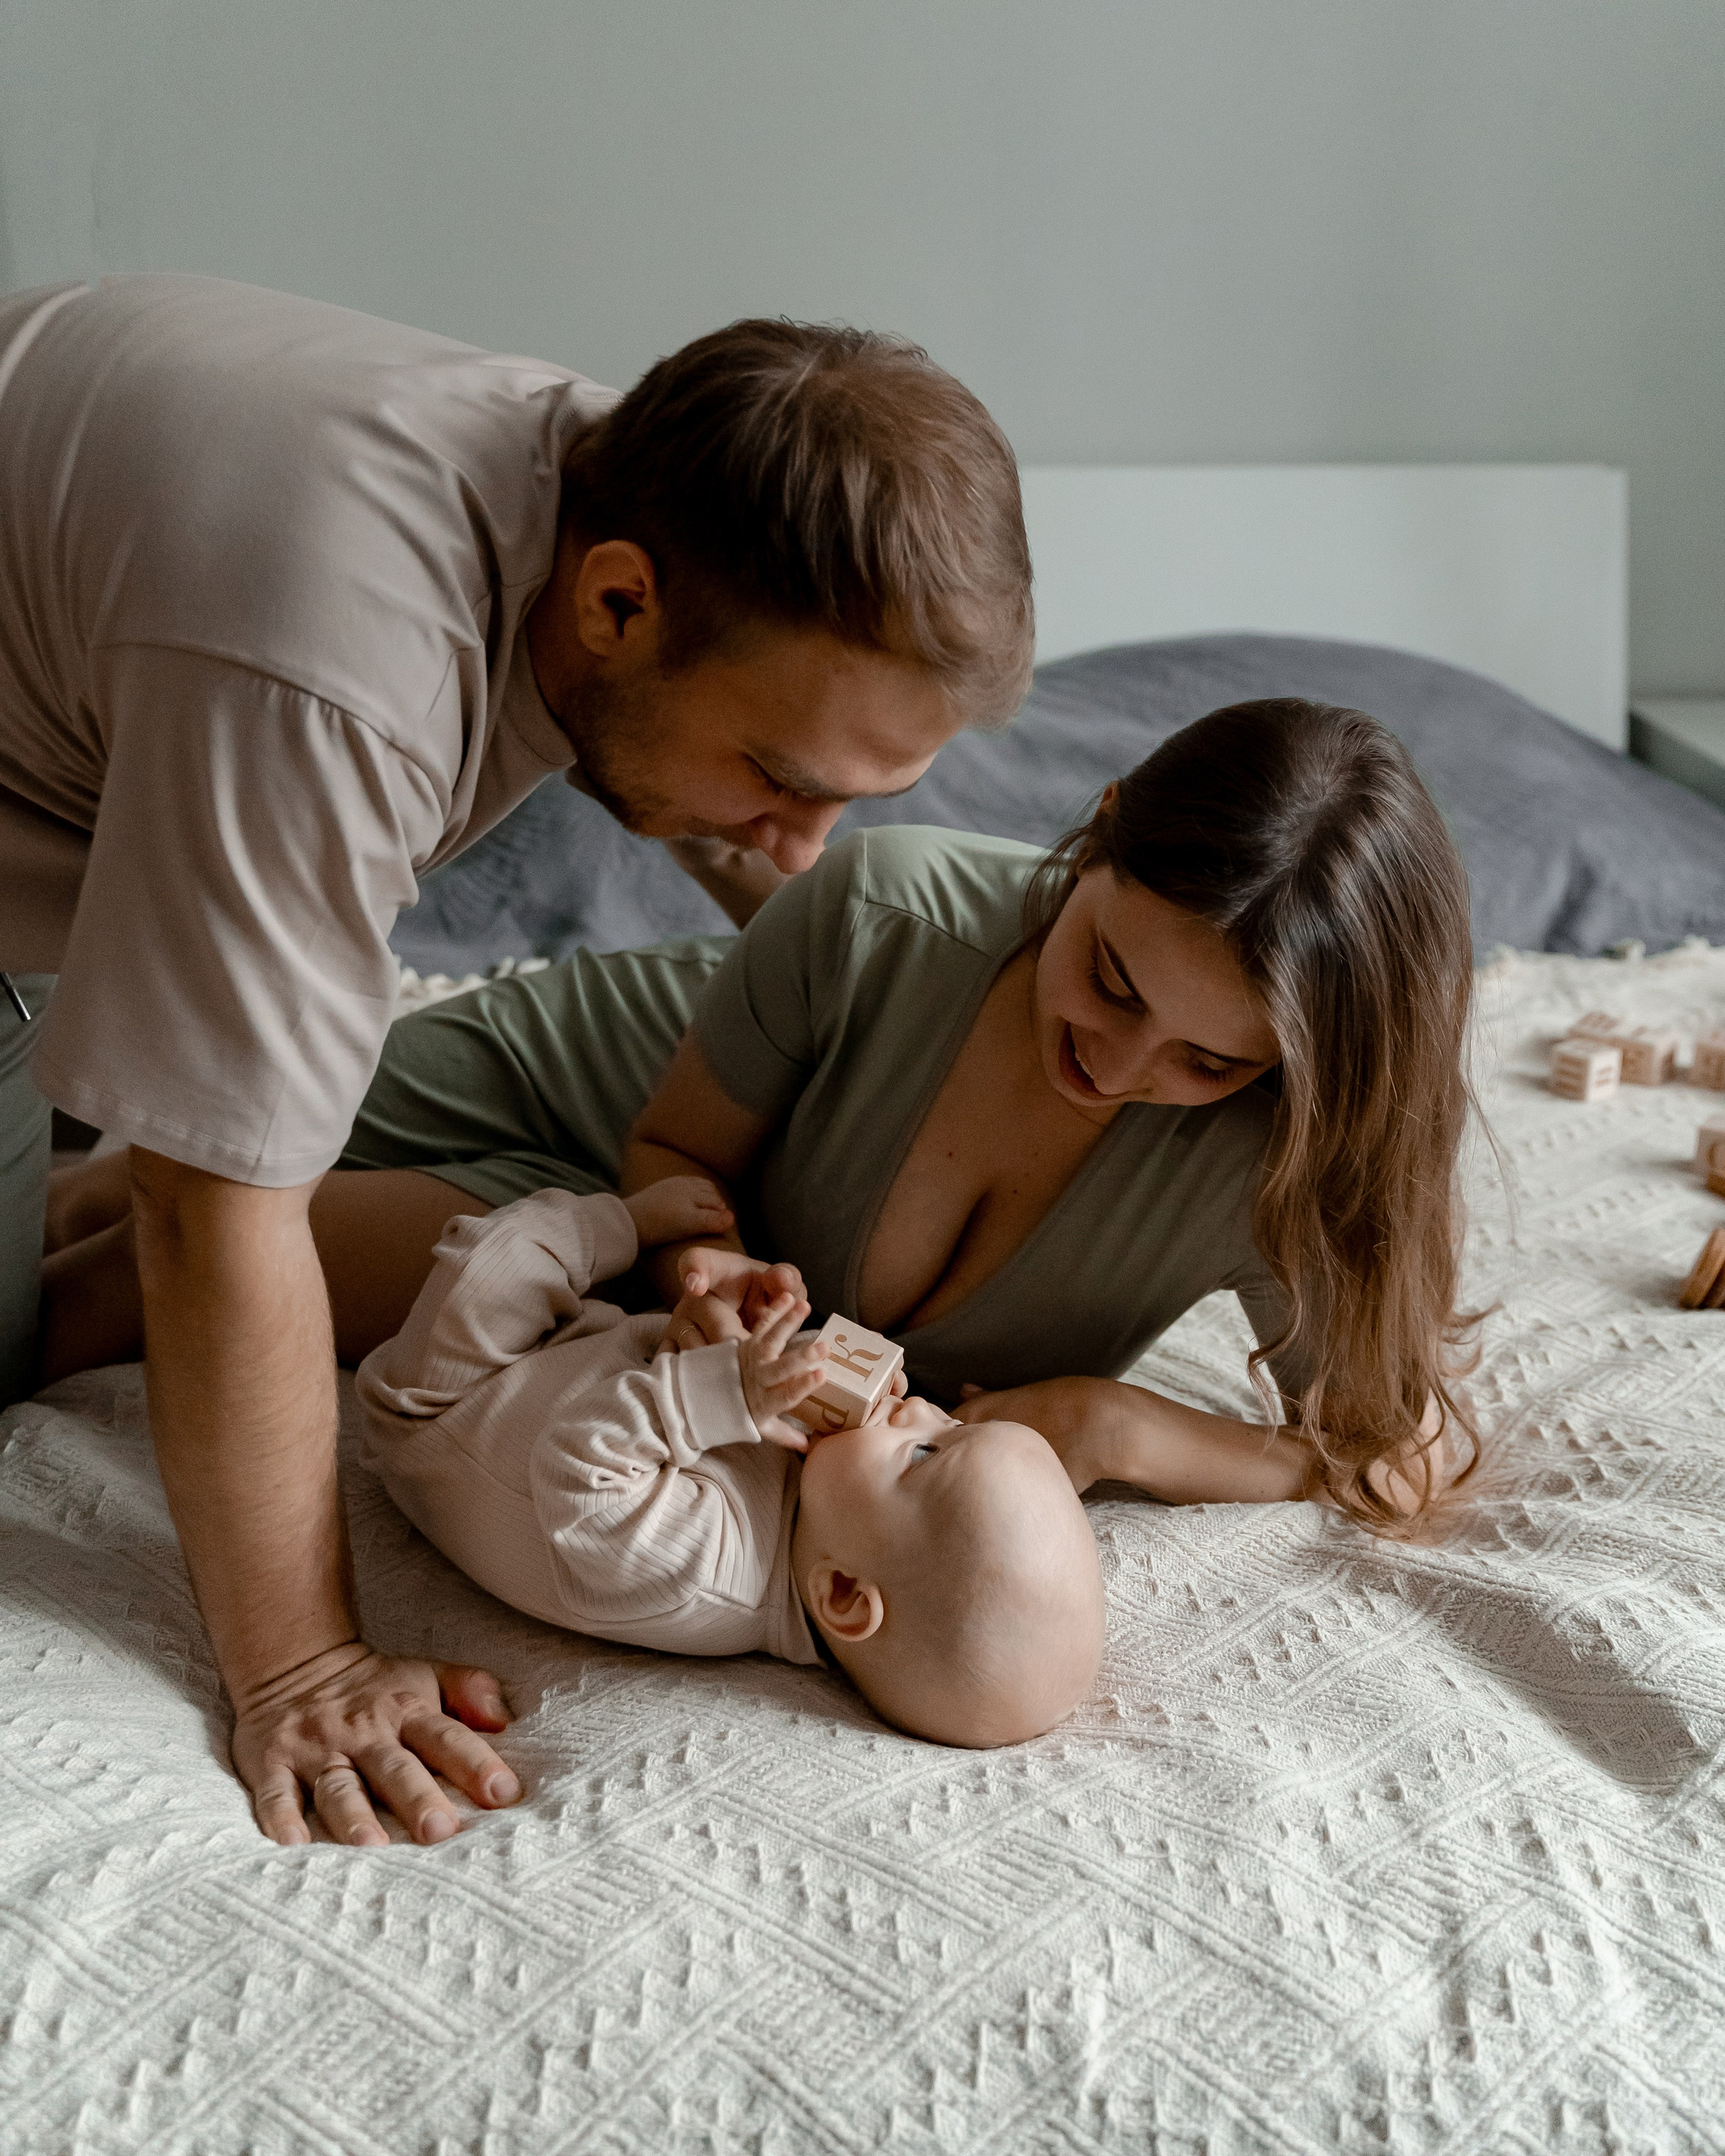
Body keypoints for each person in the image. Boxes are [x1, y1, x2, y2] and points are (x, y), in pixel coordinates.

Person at [1, 273, 1032, 1847]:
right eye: (774, 777)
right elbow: (217, 1216)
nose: (797, 847)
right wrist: (305, 1663)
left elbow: (771, 854)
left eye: (850, 803)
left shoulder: (626, 480)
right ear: (616, 605)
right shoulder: (331, 671)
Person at [50, 700, 1479, 1525]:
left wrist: (1115, 1427)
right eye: (1107, 979)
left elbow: (1378, 1452)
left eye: (1203, 1063)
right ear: (1095, 828)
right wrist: (697, 1265)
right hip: (566, 1099)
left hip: (587, 1278)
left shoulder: (1277, 1156)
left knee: (128, 1270)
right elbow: (668, 1157)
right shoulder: (885, 906)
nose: (1117, 1065)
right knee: (129, 1207)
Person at [352, 1179, 1105, 1789]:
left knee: (493, 1256)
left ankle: (616, 1218)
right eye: (954, 1422)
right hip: (579, 1356)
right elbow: (725, 1402)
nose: (919, 1408)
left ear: (841, 1593)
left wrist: (723, 1394)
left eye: (923, 1454)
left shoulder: (707, 1574)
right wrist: (756, 1336)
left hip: (447, 1409)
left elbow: (576, 1469)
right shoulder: (831, 1503)